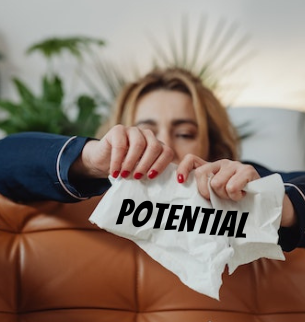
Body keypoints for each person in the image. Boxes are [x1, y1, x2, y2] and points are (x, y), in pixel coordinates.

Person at [0, 67, 304, 252]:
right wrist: (90, 159)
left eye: (184, 133)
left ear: (213, 147)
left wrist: (271, 202)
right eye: (145, 131)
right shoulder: (96, 186)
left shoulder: (242, 183)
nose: (164, 146)